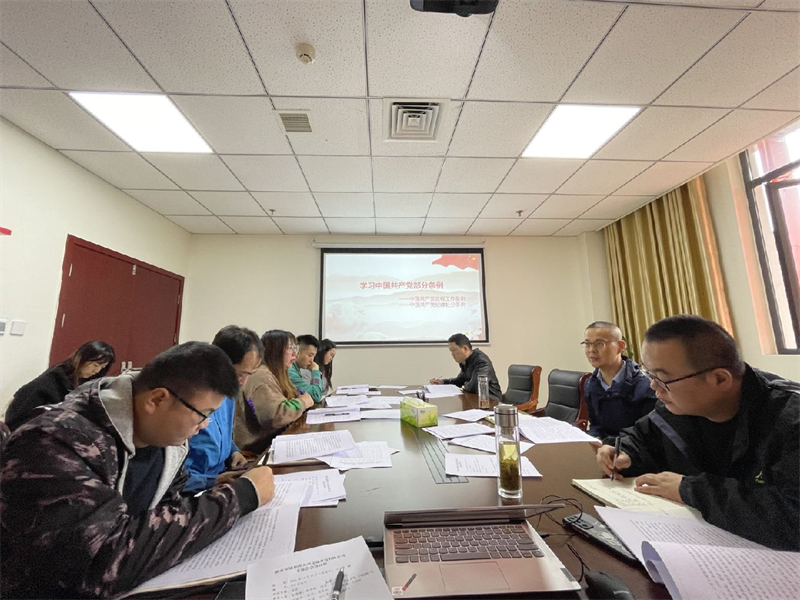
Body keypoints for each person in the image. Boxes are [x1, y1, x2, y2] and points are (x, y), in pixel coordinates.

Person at [0, 342, 276, 599]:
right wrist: (241, 496)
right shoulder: (55, 441)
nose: (204, 425)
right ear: (156, 400)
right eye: (204, 414)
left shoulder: (167, 444)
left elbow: (166, 514)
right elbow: (102, 562)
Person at [595, 315, 800, 550]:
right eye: (649, 374)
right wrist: (624, 452)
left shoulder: (789, 421)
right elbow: (643, 436)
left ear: (720, 379)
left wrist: (690, 490)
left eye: (663, 378)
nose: (653, 386)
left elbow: (792, 517)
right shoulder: (679, 407)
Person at [184, 326, 263, 494]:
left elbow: (223, 433)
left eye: (248, 375)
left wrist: (234, 452)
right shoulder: (190, 395)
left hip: (221, 476)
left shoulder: (228, 392)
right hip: (194, 488)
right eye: (240, 374)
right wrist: (211, 481)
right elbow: (167, 479)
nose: (243, 382)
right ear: (219, 362)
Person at [4, 340, 116, 430]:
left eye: (102, 367)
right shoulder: (56, 377)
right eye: (95, 365)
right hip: (25, 425)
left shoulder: (87, 383)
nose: (97, 370)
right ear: (82, 358)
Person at [235, 330, 314, 454]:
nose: (295, 353)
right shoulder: (261, 375)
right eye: (290, 348)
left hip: (271, 440)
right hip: (256, 449)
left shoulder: (278, 372)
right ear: (275, 350)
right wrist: (303, 402)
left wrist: (301, 398)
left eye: (295, 348)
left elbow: (296, 395)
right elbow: (276, 416)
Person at [581, 321, 657, 439]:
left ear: (620, 346)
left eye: (599, 343)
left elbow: (649, 433)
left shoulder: (646, 384)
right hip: (606, 446)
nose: (592, 350)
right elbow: (596, 425)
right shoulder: (590, 383)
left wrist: (613, 446)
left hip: (635, 446)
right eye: (587, 344)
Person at [429, 333, 501, 400]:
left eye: (453, 350)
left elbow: (474, 387)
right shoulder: (465, 361)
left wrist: (465, 384)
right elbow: (460, 381)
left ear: (465, 349)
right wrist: (442, 382)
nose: (452, 354)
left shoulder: (481, 361)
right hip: (475, 398)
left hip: (490, 400)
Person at [288, 334, 324, 404]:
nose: (312, 360)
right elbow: (316, 395)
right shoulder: (290, 371)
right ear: (296, 352)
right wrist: (315, 371)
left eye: (313, 356)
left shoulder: (295, 369)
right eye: (310, 355)